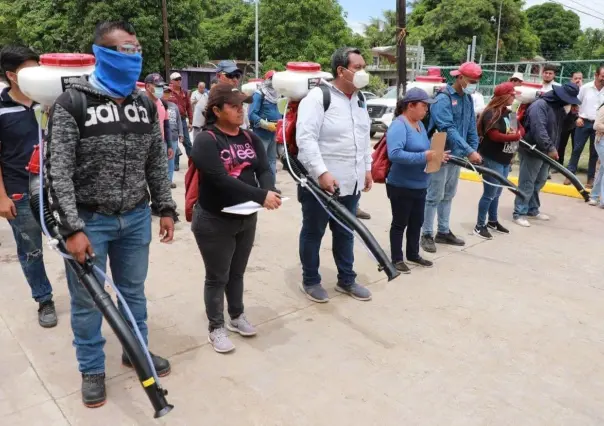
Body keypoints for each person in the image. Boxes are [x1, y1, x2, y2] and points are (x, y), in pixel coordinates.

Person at [46, 21, 176, 408]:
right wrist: (71, 228)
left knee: (133, 291)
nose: (134, 57)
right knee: (88, 302)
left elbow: (156, 160)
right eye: (126, 50)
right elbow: (59, 171)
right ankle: (92, 369)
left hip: (135, 218)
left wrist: (164, 207)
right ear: (102, 53)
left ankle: (136, 352)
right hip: (90, 221)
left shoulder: (143, 104)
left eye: (137, 50)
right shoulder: (73, 104)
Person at [190, 83, 281, 353]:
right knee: (217, 276)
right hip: (214, 219)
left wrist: (269, 189)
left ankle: (237, 316)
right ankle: (215, 327)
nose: (240, 110)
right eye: (234, 106)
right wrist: (260, 195)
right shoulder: (206, 140)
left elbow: (263, 168)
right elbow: (219, 180)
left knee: (237, 273)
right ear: (216, 110)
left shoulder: (250, 138)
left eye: (242, 105)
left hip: (246, 217)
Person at [296, 47, 373, 303]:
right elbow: (306, 139)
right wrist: (322, 172)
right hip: (320, 184)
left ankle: (346, 279)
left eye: (364, 66)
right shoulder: (319, 97)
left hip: (350, 183)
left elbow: (363, 139)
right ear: (341, 70)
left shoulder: (360, 100)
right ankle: (310, 280)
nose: (363, 72)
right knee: (313, 232)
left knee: (345, 231)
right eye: (358, 67)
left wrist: (367, 169)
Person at [0, 45, 57, 328]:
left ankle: (85, 292)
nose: (37, 74)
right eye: (29, 70)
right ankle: (44, 299)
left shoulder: (47, 102)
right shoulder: (0, 109)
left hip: (55, 188)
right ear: (11, 75)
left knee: (71, 240)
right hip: (19, 191)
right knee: (31, 250)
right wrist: (1, 197)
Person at [421, 62, 482, 254]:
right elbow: (447, 128)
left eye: (476, 82)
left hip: (457, 152)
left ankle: (443, 231)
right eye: (471, 81)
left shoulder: (467, 99)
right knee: (434, 195)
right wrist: (468, 150)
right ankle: (427, 233)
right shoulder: (443, 99)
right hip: (439, 149)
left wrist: (472, 149)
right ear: (460, 77)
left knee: (448, 194)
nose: (473, 85)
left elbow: (472, 126)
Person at [386, 88, 442, 274]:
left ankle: (413, 253)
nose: (426, 110)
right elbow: (395, 154)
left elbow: (424, 151)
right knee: (400, 223)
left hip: (420, 184)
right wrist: (424, 156)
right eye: (424, 106)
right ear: (410, 105)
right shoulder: (399, 125)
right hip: (401, 185)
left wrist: (437, 155)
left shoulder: (420, 125)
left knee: (417, 222)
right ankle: (396, 258)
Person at [513, 83, 581, 227]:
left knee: (540, 180)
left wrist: (572, 115)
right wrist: (550, 147)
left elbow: (565, 128)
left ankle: (532, 209)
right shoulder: (540, 105)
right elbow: (539, 129)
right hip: (533, 149)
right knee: (527, 181)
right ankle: (519, 212)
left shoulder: (558, 108)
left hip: (546, 151)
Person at [474, 83, 524, 239]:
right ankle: (480, 225)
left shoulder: (509, 113)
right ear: (504, 96)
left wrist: (513, 151)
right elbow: (494, 136)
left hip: (505, 158)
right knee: (489, 194)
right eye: (512, 94)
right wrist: (515, 136)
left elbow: (521, 130)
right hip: (492, 157)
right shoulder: (491, 113)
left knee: (497, 193)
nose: (514, 97)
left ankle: (493, 221)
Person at [565, 66, 604, 189]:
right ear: (596, 75)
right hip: (583, 122)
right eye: (603, 76)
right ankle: (570, 174)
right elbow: (575, 104)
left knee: (594, 153)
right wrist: (577, 117)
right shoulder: (585, 88)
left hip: (599, 126)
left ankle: (591, 178)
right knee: (577, 149)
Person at [249, 70, 282, 190]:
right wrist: (265, 124)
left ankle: (271, 186)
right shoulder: (259, 94)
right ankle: (261, 187)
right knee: (261, 162)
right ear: (267, 80)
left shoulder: (278, 94)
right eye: (272, 79)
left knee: (272, 161)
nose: (274, 81)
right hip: (261, 134)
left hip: (274, 133)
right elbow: (252, 114)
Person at [557, 71, 583, 167]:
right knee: (561, 144)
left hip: (579, 122)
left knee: (575, 146)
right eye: (576, 78)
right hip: (566, 121)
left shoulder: (584, 90)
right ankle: (559, 164)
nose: (578, 80)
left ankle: (572, 166)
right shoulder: (567, 90)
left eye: (580, 78)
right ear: (571, 79)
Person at [215, 61, 250, 129]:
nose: (235, 79)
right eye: (230, 75)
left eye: (237, 76)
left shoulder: (238, 95)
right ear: (218, 76)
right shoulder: (212, 98)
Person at [168, 72, 193, 157]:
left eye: (180, 79)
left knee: (187, 142)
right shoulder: (168, 92)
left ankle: (192, 161)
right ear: (172, 81)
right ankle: (175, 164)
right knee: (174, 142)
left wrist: (190, 122)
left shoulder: (184, 92)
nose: (179, 81)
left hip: (182, 119)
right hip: (171, 120)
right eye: (176, 79)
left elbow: (189, 107)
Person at [162, 87, 184, 186]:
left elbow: (179, 121)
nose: (166, 94)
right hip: (162, 138)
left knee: (171, 161)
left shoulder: (174, 106)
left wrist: (181, 134)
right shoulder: (157, 104)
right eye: (165, 92)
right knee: (162, 161)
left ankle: (169, 181)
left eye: (168, 93)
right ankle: (162, 181)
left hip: (174, 137)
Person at [588, 98, 604, 206]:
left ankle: (594, 195)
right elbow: (596, 125)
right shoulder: (603, 108)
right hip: (601, 141)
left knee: (603, 169)